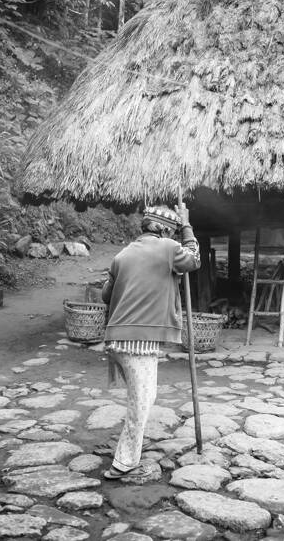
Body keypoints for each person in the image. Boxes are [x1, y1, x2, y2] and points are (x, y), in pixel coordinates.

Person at [100, 203, 199, 481]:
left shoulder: (122, 255)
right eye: (172, 231)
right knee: (142, 400)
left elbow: (106, 296)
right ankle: (124, 462)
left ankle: (126, 454)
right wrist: (187, 225)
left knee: (140, 398)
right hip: (138, 341)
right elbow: (193, 259)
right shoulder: (167, 247)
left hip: (116, 340)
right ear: (165, 230)